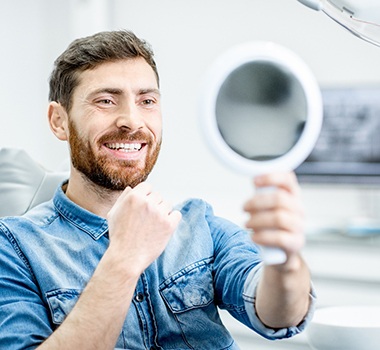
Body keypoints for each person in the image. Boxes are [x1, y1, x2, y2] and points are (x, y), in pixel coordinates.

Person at [0, 30, 315, 349]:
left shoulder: (198, 224)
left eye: (147, 101)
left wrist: (285, 261)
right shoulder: (13, 246)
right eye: (106, 100)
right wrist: (124, 258)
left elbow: (280, 315)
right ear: (59, 121)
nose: (131, 120)